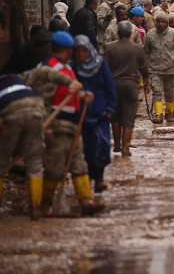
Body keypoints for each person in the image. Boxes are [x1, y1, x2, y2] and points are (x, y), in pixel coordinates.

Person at [0, 66, 82, 220]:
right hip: (36, 105)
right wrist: (71, 82)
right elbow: (46, 72)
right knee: (34, 163)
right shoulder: (19, 77)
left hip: (11, 110)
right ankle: (36, 209)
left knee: (1, 162)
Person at [39, 31, 105, 215]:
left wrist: (83, 96)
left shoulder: (66, 67)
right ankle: (44, 204)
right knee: (54, 166)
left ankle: (86, 200)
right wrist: (46, 125)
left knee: (79, 164)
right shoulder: (50, 69)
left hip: (74, 123)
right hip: (57, 124)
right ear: (67, 50)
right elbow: (43, 100)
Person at [72, 35, 116, 194]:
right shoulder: (74, 68)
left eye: (84, 50)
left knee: (102, 147)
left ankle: (99, 179)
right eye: (78, 51)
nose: (81, 54)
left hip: (100, 113)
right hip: (81, 115)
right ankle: (87, 183)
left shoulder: (100, 65)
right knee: (86, 151)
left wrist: (110, 108)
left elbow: (110, 87)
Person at [105, 22, 150, 156]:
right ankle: (126, 148)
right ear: (131, 33)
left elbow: (104, 69)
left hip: (114, 87)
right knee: (128, 119)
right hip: (131, 87)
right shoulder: (137, 48)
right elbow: (144, 69)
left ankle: (117, 145)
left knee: (115, 117)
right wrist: (147, 85)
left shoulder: (110, 48)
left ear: (118, 33)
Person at [144, 11, 174, 124]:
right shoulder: (150, 34)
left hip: (171, 69)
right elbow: (146, 52)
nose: (160, 24)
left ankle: (169, 113)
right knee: (157, 92)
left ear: (167, 23)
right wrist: (144, 68)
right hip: (155, 69)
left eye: (163, 22)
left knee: (169, 93)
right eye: (158, 21)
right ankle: (158, 115)